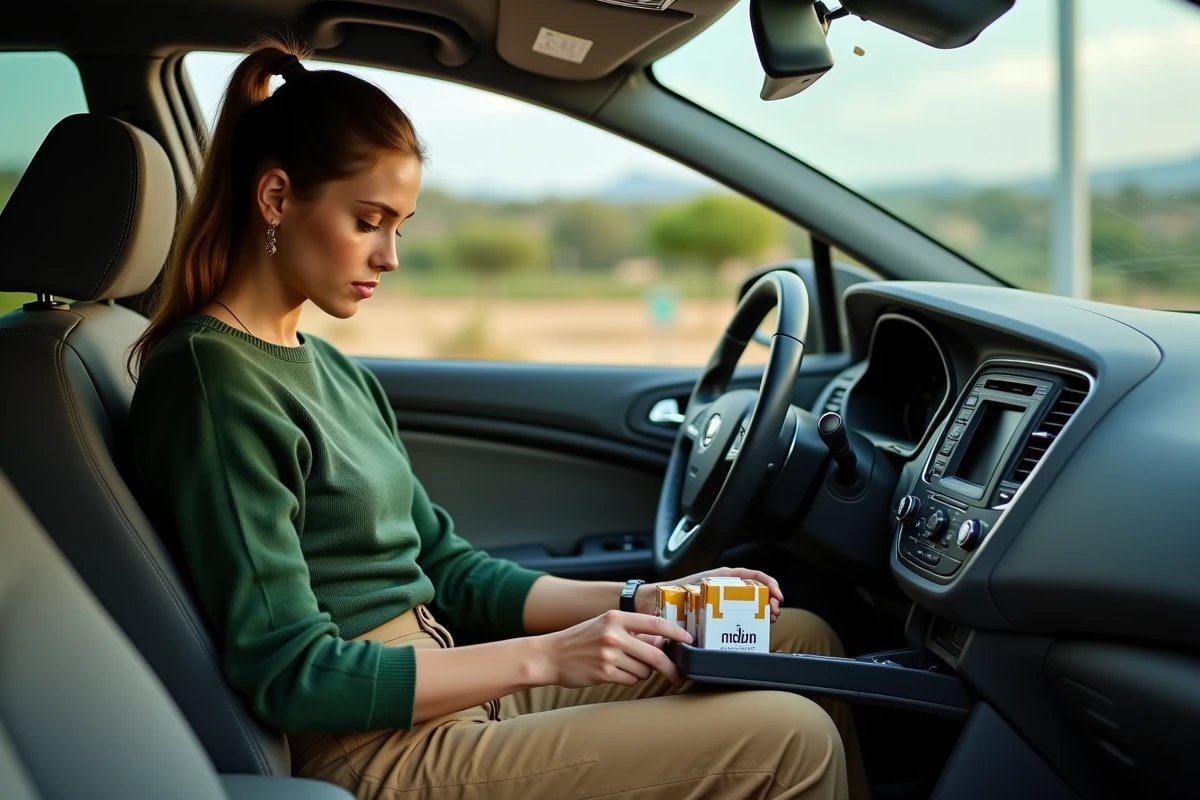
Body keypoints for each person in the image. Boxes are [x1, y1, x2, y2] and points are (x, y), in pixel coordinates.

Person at [128, 37, 869, 800]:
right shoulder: (210, 379)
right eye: (368, 219)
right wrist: (549, 657)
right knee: (790, 734)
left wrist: (644, 598)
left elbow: (450, 571)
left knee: (800, 644)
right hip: (375, 749)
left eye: (401, 226)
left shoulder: (332, 369)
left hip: (450, 687)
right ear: (277, 198)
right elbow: (290, 674)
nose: (389, 256)